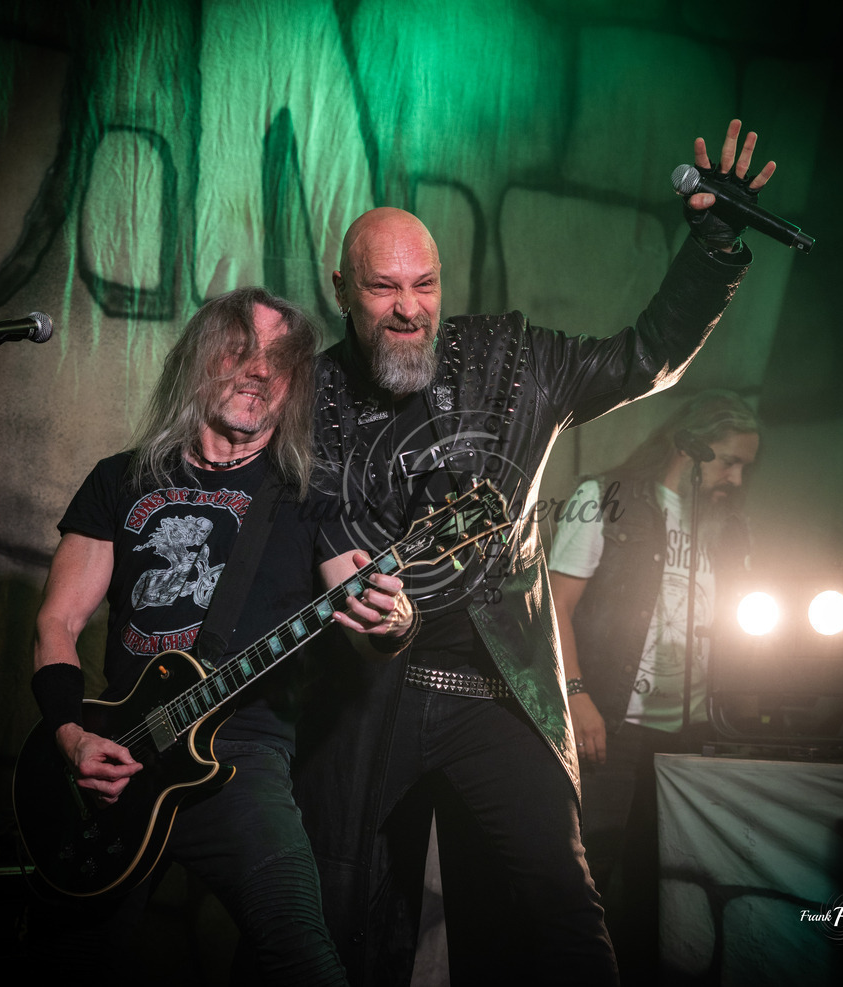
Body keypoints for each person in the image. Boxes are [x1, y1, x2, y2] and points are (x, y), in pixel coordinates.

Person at [294, 120, 777, 986]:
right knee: (347, 923)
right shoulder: (315, 394)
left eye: (425, 283)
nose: (409, 306)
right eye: (382, 287)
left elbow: (645, 356)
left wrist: (712, 245)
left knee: (557, 918)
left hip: (500, 693)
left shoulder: (515, 362)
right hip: (369, 698)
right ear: (342, 290)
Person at [25, 287, 411, 986]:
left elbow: (363, 614)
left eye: (280, 360)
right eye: (240, 348)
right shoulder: (122, 479)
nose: (259, 369)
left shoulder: (310, 492)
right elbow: (59, 621)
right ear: (200, 358)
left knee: (304, 957)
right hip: (119, 751)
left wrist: (392, 615)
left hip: (239, 757)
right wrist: (71, 736)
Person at [548, 389, 762, 984]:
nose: (736, 478)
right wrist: (577, 693)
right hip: (612, 722)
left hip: (689, 734)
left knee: (664, 888)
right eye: (727, 460)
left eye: (746, 465)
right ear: (687, 446)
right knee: (593, 875)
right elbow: (556, 606)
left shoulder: (723, 528)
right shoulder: (606, 498)